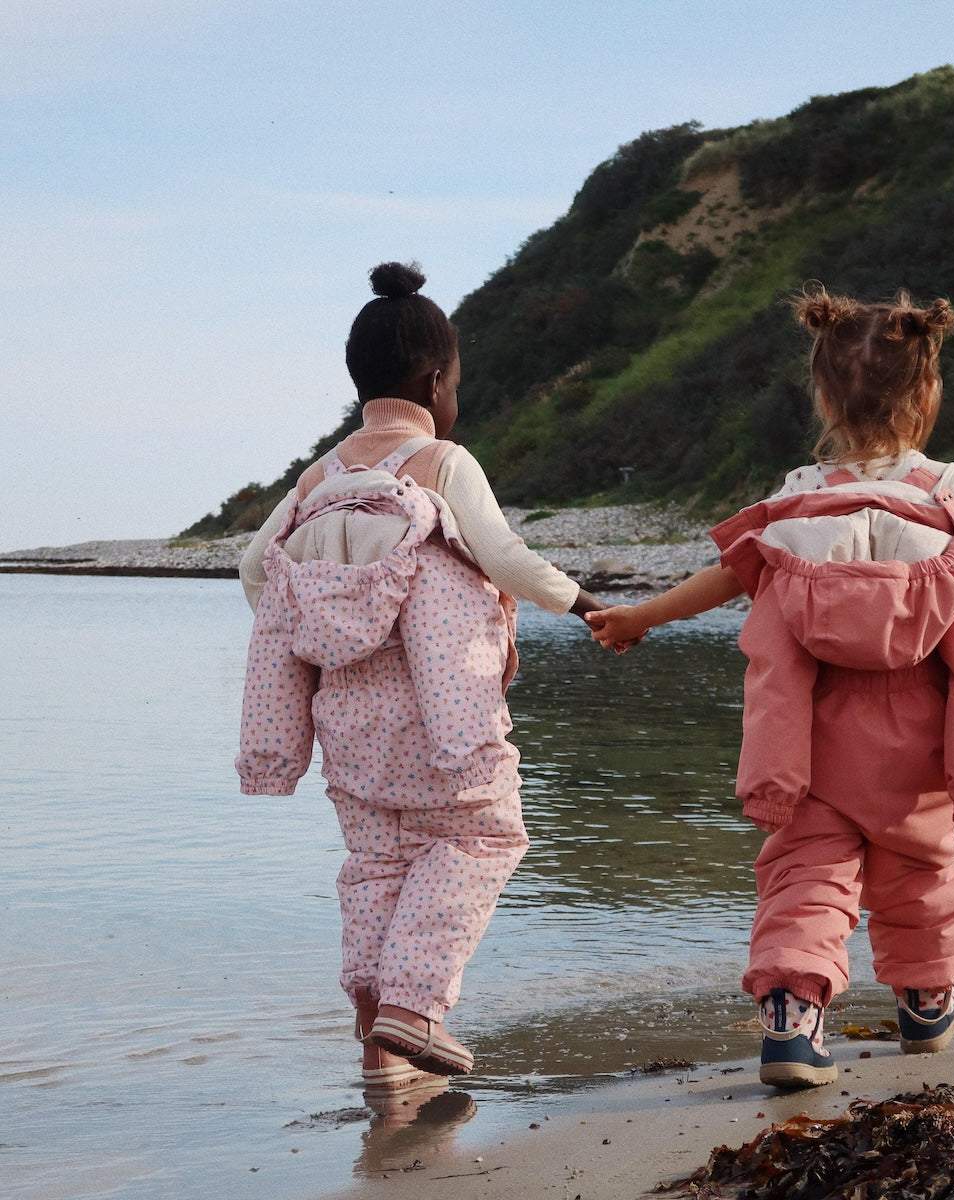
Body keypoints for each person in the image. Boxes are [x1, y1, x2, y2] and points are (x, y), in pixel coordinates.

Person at [587, 285, 954, 1089]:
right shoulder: (951, 491)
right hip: (922, 734)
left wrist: (639, 618)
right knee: (922, 866)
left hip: (814, 735)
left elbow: (727, 576)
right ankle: (927, 1000)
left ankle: (792, 1019)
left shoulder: (799, 494)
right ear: (928, 392)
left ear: (823, 394)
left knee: (805, 873)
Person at [237, 261, 601, 1091]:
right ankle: (414, 1008)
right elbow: (504, 558)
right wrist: (580, 603)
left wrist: (326, 619)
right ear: (437, 380)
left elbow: (256, 570)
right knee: (482, 837)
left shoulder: (318, 480)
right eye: (455, 380)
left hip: (350, 728)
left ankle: (379, 1048)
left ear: (358, 378)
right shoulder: (439, 460)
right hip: (442, 717)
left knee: (378, 866)